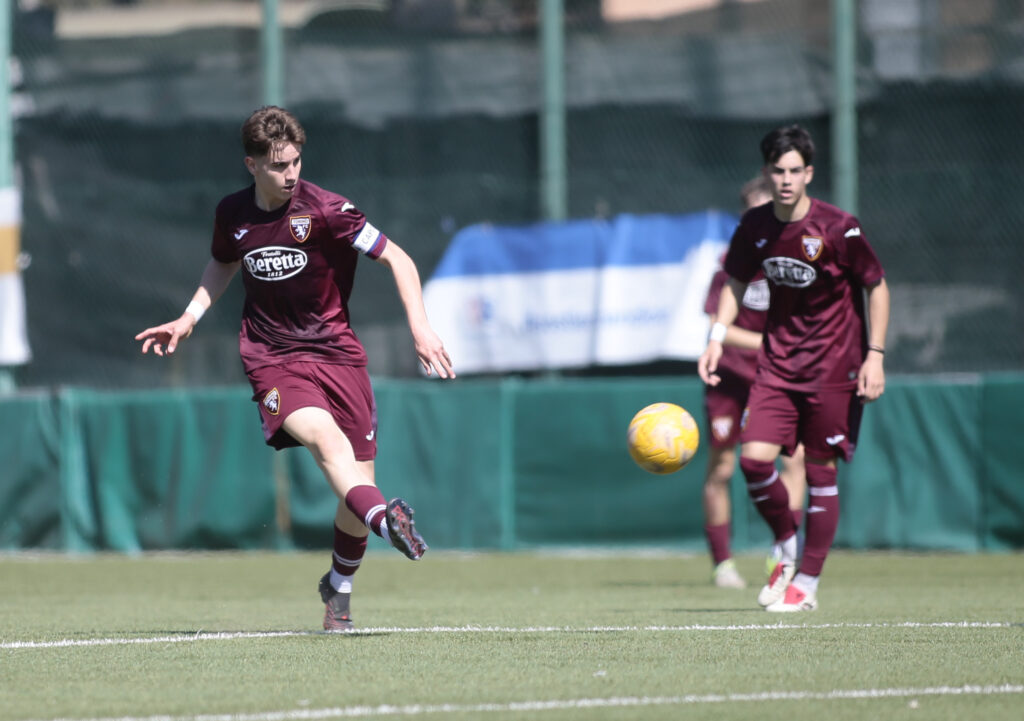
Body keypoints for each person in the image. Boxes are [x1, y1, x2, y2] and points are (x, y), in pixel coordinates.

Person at [135, 106, 455, 631]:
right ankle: (388, 522)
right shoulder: (232, 213)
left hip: (338, 356)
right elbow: (223, 260)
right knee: (329, 446)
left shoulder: (328, 210)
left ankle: (339, 588)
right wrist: (189, 317)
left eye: (296, 162)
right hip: (272, 358)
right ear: (252, 165)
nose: (291, 174)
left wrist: (420, 328)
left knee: (356, 482)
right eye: (279, 165)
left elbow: (399, 259)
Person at [698, 124, 889, 612]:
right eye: (778, 171)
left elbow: (876, 285)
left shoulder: (838, 226)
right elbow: (735, 281)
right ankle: (786, 542)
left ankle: (807, 583)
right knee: (752, 461)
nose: (786, 180)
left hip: (834, 369)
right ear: (766, 172)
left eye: (794, 171)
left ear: (809, 173)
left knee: (818, 471)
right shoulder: (755, 226)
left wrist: (875, 355)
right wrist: (717, 337)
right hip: (777, 368)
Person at [702, 176, 806, 590]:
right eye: (754, 213)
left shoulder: (798, 261)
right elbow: (718, 326)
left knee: (793, 462)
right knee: (723, 468)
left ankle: (783, 554)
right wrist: (768, 344)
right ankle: (722, 564)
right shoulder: (732, 262)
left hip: (779, 379)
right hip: (731, 378)